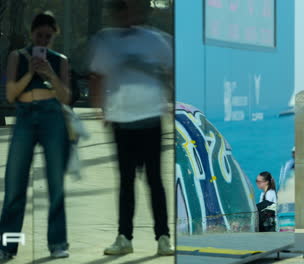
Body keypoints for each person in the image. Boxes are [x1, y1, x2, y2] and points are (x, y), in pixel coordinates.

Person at [88, 0, 174, 255]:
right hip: (122, 121)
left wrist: (168, 99)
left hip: (150, 119)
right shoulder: (105, 40)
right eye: (119, 9)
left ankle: (163, 237)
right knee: (126, 182)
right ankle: (124, 237)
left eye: (127, 8)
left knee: (154, 181)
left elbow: (169, 69)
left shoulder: (155, 39)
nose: (124, 14)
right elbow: (98, 76)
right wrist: (100, 108)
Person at [0, 12, 71, 259]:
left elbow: (66, 97)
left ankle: (58, 243)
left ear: (54, 37)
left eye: (48, 37)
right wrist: (30, 73)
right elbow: (10, 95)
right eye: (39, 35)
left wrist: (50, 74)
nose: (43, 41)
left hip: (52, 117)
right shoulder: (17, 57)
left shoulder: (59, 60)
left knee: (55, 183)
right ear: (32, 34)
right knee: (15, 184)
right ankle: (7, 247)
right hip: (25, 116)